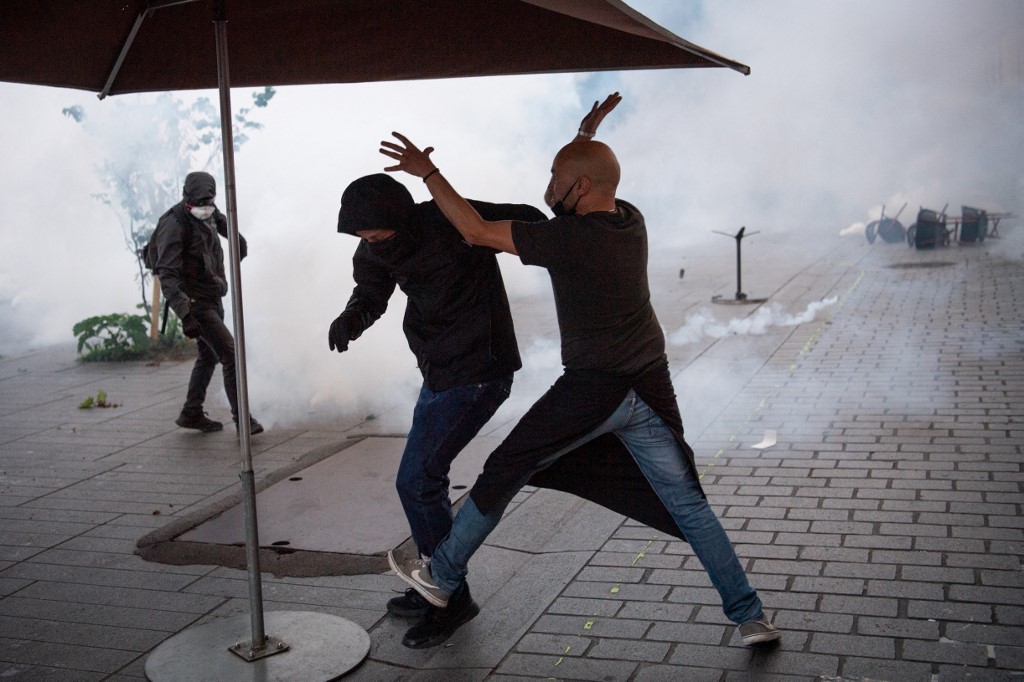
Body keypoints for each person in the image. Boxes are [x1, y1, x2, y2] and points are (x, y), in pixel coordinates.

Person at [379, 102, 782, 649]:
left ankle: (442, 574)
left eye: (556, 179)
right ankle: (750, 616)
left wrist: (428, 173)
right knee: (689, 504)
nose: (547, 187)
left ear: (582, 187)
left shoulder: (568, 241)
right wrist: (584, 136)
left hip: (597, 385)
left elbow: (474, 231)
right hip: (649, 380)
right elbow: (583, 181)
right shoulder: (629, 219)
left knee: (506, 465)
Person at [328, 97, 619, 649]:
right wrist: (353, 318)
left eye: (375, 235)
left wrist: (582, 150)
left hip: (481, 369)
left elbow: (541, 220)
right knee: (425, 478)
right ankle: (437, 582)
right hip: (438, 369)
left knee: (416, 479)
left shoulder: (449, 217)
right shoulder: (374, 248)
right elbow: (371, 291)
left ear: (397, 217)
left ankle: (450, 594)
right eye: (361, 238)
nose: (370, 244)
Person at [151, 171, 263, 435]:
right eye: (198, 204)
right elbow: (167, 274)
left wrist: (239, 243)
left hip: (212, 296)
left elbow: (227, 228)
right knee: (231, 355)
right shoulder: (174, 224)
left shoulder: (209, 210)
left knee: (208, 356)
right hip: (194, 303)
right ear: (186, 198)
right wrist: (185, 315)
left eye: (208, 202)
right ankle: (243, 420)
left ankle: (191, 412)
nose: (204, 208)